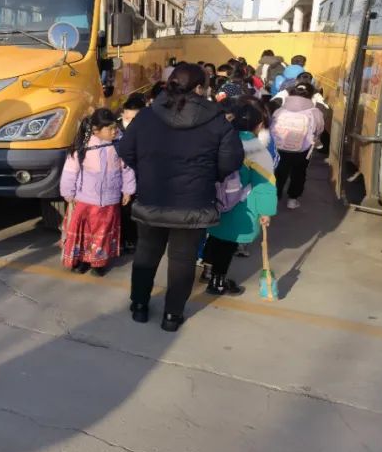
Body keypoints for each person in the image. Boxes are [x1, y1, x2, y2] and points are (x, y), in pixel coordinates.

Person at [116, 63, 243, 332]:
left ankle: (139, 306)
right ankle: (172, 316)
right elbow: (231, 161)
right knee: (182, 260)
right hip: (193, 203)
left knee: (146, 253)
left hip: (152, 198)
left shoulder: (147, 116)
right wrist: (208, 175)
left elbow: (125, 149)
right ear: (199, 88)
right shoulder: (217, 120)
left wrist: (146, 170)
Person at [201, 99, 278, 295]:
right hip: (241, 205)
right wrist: (266, 211)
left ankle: (207, 271)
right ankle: (218, 282)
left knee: (215, 237)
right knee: (228, 243)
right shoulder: (257, 150)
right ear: (259, 125)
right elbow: (264, 185)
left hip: (215, 199)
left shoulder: (221, 140)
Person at [60, 109, 136, 276]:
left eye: (115, 127)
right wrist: (68, 194)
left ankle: (98, 263)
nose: (114, 131)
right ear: (96, 130)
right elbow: (70, 171)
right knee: (85, 234)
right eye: (109, 128)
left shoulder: (119, 145)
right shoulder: (83, 146)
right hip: (85, 200)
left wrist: (127, 191)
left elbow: (127, 168)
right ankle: (82, 260)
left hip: (109, 201)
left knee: (103, 234)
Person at [271, 82, 326, 210]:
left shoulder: (280, 110)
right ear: (311, 95)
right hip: (302, 149)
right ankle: (292, 199)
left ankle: (274, 198)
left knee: (279, 172)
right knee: (299, 173)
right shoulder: (315, 112)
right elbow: (319, 129)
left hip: (279, 147)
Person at [117, 93, 148, 253]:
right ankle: (120, 239)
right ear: (123, 114)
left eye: (135, 119)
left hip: (139, 176)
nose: (130, 123)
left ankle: (131, 239)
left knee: (134, 210)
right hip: (117, 178)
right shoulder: (114, 130)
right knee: (121, 210)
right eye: (128, 118)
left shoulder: (148, 130)